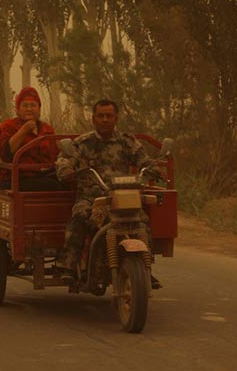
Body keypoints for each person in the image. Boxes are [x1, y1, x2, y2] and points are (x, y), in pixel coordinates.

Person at [54, 99, 161, 288]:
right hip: (91, 198)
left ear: (116, 118)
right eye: (101, 116)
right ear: (93, 119)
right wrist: (66, 169)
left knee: (143, 221)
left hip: (121, 198)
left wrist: (152, 168)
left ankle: (145, 269)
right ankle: (68, 265)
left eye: (109, 116)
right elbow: (65, 158)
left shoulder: (126, 142)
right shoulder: (84, 143)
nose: (105, 120)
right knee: (79, 216)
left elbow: (144, 159)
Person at [0, 86, 63, 191]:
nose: (29, 109)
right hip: (16, 179)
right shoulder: (8, 126)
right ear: (17, 110)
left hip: (43, 176)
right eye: (25, 105)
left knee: (70, 183)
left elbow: (55, 156)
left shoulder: (47, 129)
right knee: (51, 185)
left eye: (33, 105)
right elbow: (5, 154)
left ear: (39, 109)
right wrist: (23, 131)